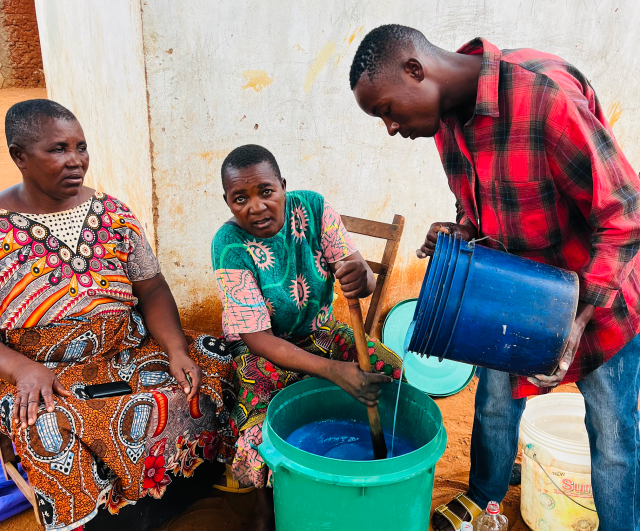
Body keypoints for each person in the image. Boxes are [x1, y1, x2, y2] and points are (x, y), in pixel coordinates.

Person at [349, 25, 640, 531]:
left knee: (613, 436)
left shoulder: (543, 97)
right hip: (515, 301)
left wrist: (578, 314)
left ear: (415, 71)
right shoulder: (445, 122)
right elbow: (480, 208)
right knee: (495, 408)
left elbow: (626, 213)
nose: (390, 129)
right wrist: (460, 230)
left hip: (599, 300)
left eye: (386, 111)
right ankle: (484, 497)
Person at [0, 100, 237, 531]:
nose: (76, 161)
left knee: (217, 355)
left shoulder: (114, 212)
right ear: (19, 156)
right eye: (57, 149)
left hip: (126, 346)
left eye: (81, 146)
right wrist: (22, 369)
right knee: (46, 422)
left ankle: (185, 488)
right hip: (40, 368)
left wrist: (176, 348)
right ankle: (101, 522)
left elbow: (151, 286)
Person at [212, 144, 403, 531]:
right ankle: (265, 502)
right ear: (228, 203)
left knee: (390, 370)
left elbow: (361, 277)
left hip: (321, 331)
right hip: (261, 348)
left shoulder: (313, 209)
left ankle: (371, 457)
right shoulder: (229, 245)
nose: (256, 207)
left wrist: (360, 274)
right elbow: (259, 339)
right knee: (258, 426)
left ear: (283, 186)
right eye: (240, 199)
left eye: (266, 191)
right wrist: (334, 371)